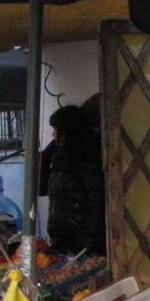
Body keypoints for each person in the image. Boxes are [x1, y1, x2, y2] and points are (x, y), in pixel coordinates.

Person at [38, 100, 105, 256]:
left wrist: (90, 242)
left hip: (82, 245)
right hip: (62, 241)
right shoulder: (58, 161)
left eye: (56, 131)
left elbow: (95, 202)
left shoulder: (87, 160)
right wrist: (46, 154)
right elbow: (41, 189)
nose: (54, 135)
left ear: (67, 133)